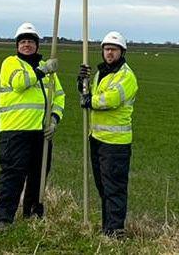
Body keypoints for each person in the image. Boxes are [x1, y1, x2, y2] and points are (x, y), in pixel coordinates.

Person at [0, 21, 65, 228]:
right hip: (15, 131)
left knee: (39, 175)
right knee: (12, 176)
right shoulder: (11, 63)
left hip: (40, 133)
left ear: (37, 45)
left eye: (30, 42)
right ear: (17, 45)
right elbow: (19, 83)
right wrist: (43, 69)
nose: (27, 45)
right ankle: (4, 218)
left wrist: (54, 119)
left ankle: (32, 214)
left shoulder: (47, 71)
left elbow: (59, 97)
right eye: (23, 41)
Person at [78, 30, 138, 238]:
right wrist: (82, 86)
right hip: (97, 138)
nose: (109, 53)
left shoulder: (126, 76)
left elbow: (110, 100)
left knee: (114, 188)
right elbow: (92, 95)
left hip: (115, 143)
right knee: (103, 186)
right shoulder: (101, 73)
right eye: (106, 49)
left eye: (113, 49)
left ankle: (115, 232)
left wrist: (89, 101)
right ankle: (108, 228)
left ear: (122, 52)